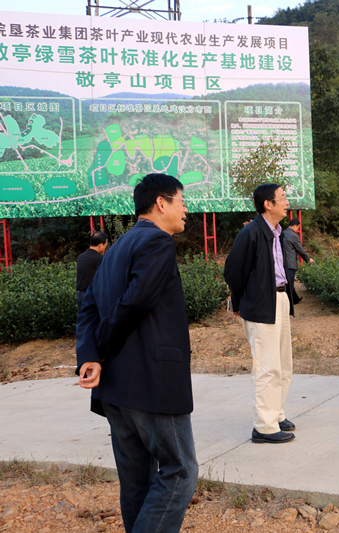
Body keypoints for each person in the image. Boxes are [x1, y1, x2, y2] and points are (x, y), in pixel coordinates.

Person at [76, 173, 197, 533]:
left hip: (115, 389)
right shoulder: (157, 241)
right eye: (182, 201)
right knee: (180, 471)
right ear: (161, 202)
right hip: (151, 383)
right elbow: (136, 301)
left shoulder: (116, 248)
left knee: (136, 481)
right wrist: (102, 347)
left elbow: (88, 307)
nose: (186, 210)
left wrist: (90, 355)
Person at [224, 184, 296, 444]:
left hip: (280, 298)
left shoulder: (278, 232)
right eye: (282, 197)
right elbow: (233, 272)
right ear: (268, 204)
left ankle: (276, 414)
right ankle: (264, 427)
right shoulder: (251, 233)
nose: (287, 202)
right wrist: (239, 302)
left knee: (283, 364)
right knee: (267, 367)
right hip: (260, 304)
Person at [283, 218, 315, 305]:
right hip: (290, 264)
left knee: (287, 283)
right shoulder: (294, 236)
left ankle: (295, 299)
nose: (298, 229)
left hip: (282, 263)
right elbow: (300, 250)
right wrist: (308, 259)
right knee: (290, 284)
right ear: (294, 226)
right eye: (298, 227)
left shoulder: (282, 233)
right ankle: (290, 302)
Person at [76, 231, 108, 310]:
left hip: (80, 295)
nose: (105, 247)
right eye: (105, 245)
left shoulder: (81, 257)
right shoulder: (101, 259)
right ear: (100, 245)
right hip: (93, 296)